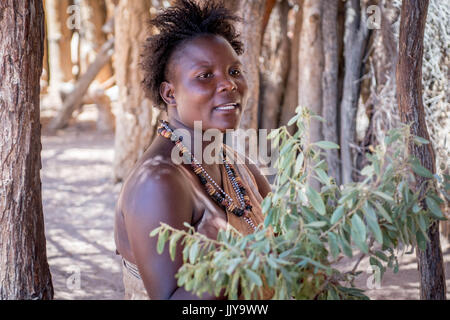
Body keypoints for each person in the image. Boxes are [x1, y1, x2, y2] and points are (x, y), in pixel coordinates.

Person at [114, 0, 273, 300]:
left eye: (234, 71)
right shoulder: (159, 182)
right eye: (205, 75)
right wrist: (243, 259)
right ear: (170, 94)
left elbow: (286, 236)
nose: (229, 84)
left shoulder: (234, 164)